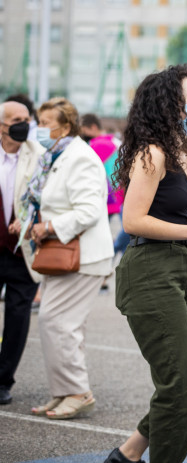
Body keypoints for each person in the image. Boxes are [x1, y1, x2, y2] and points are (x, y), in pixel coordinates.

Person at [106, 64, 187, 463]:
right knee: (179, 385)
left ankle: (129, 452)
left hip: (176, 268)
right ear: (169, 104)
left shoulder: (177, 150)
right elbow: (132, 221)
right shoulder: (151, 152)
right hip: (149, 272)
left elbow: (163, 211)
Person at [14, 97, 114, 419]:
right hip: (63, 253)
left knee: (61, 324)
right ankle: (64, 390)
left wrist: (49, 227)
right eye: (38, 122)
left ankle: (78, 392)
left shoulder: (80, 157)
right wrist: (31, 223)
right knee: (54, 323)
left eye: (45, 123)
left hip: (83, 256)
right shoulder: (55, 156)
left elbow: (88, 210)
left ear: (66, 126)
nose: (38, 129)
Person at [0, 101, 44, 405]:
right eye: (16, 119)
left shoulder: (39, 155)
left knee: (17, 316)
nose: (23, 124)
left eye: (27, 119)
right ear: (1, 124)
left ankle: (3, 380)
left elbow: (46, 196)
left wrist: (29, 219)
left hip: (22, 251)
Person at [80, 113, 129, 256]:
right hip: (120, 194)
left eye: (83, 129)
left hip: (106, 197)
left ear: (93, 127)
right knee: (128, 233)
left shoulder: (95, 145)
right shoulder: (115, 142)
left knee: (99, 238)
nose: (81, 134)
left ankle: (111, 252)